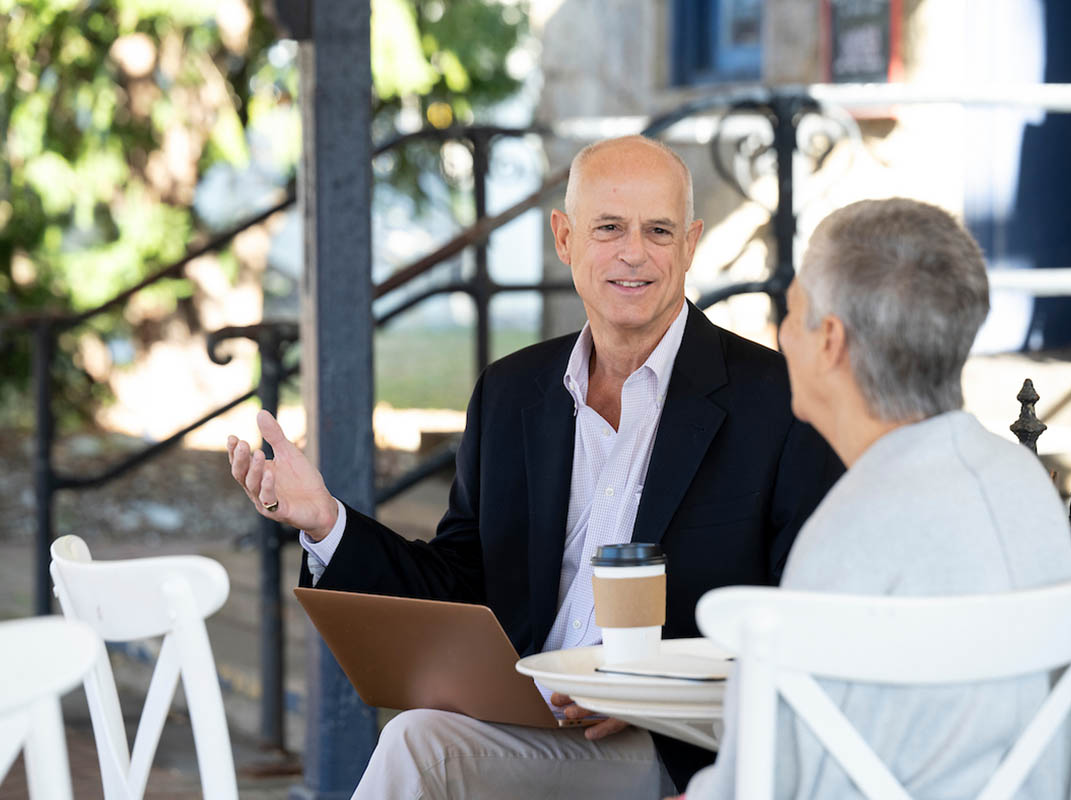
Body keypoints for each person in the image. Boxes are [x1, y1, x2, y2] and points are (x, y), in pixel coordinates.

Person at [227, 135, 843, 798]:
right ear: (564, 237)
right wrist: (325, 523)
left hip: (671, 750)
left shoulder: (777, 404)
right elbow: (460, 581)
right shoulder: (511, 392)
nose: (634, 253)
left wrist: (656, 695)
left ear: (690, 244)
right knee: (422, 733)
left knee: (422, 747)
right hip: (521, 719)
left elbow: (803, 622)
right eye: (608, 228)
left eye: (658, 231)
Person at [681, 197, 1071, 799]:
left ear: (830, 341)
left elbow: (760, 782)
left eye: (791, 312)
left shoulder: (847, 531)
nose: (779, 335)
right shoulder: (1024, 484)